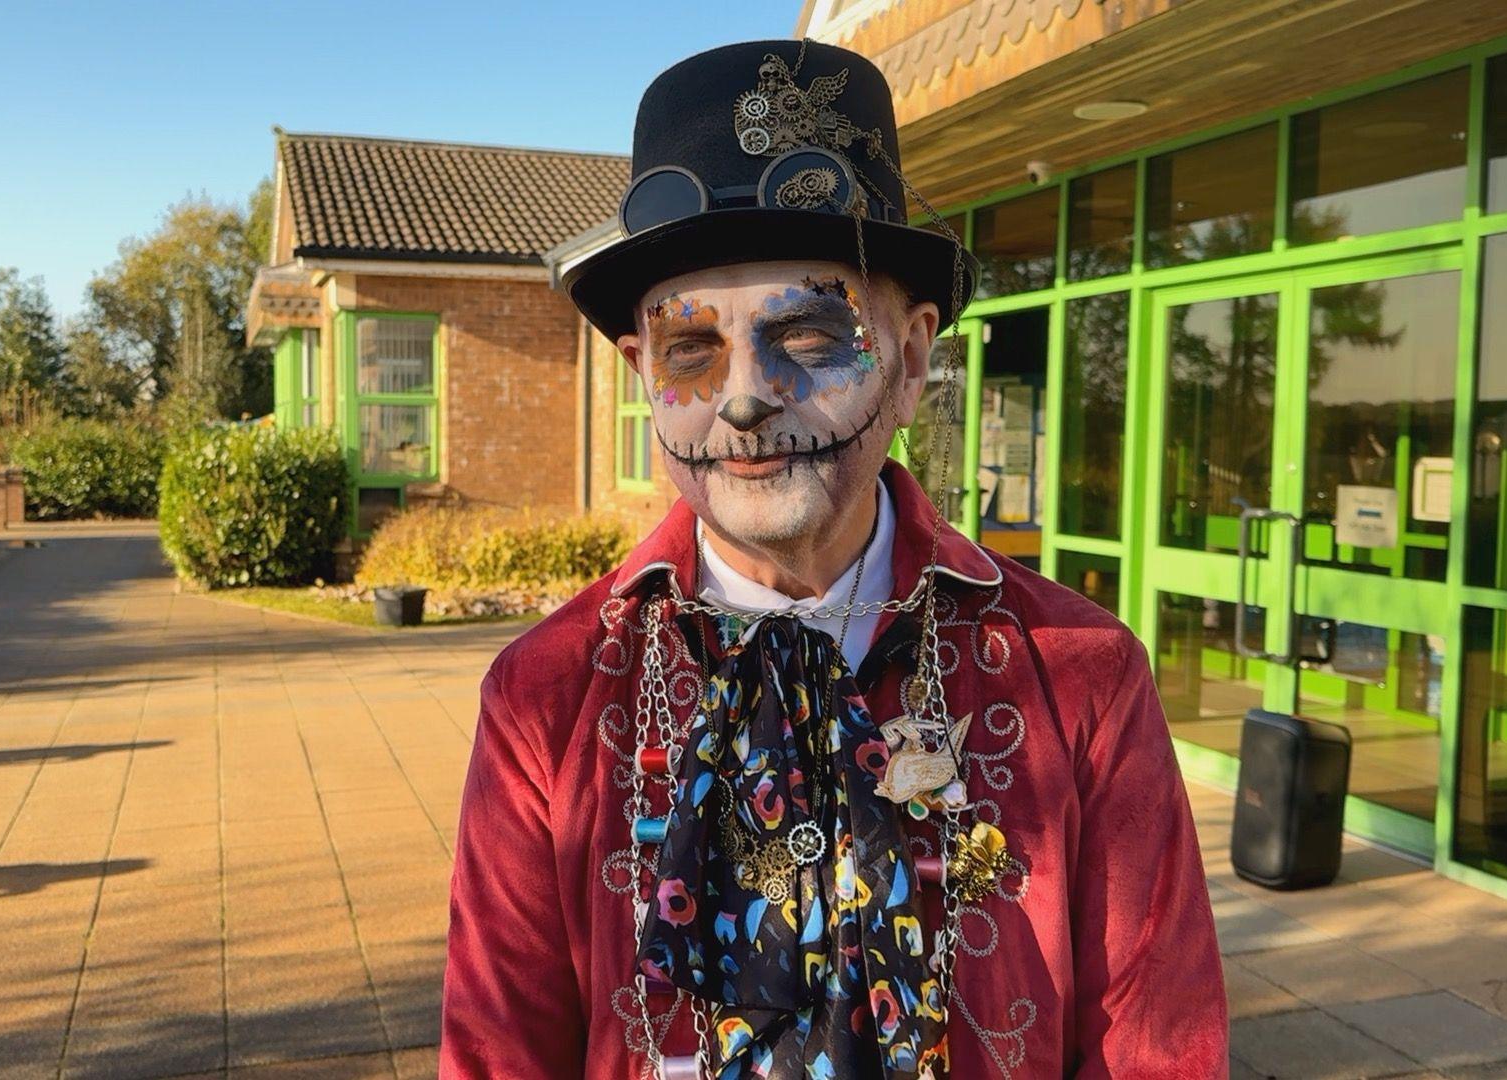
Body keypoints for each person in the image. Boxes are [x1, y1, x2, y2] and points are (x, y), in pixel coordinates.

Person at [440, 38, 1226, 1080]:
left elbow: (1159, 1048)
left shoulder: (1080, 675)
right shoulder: (549, 697)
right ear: (641, 374)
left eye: (808, 335)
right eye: (690, 348)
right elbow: (499, 1058)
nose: (744, 397)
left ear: (909, 363)